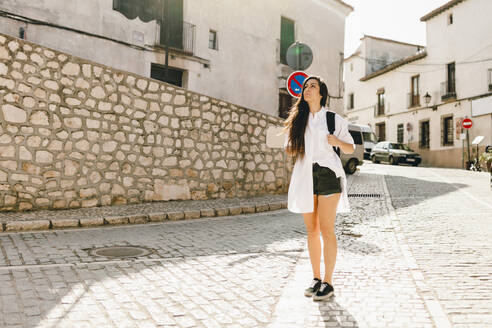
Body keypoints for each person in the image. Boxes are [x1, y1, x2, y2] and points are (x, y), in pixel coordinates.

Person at [284, 76, 355, 301]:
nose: (307, 89)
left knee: (326, 229)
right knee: (312, 230)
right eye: (305, 86)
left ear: (321, 93)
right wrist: (291, 147)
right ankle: (316, 279)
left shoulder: (334, 119)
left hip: (328, 175)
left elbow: (351, 147)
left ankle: (328, 282)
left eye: (312, 86)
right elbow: (290, 149)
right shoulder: (299, 120)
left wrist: (337, 142)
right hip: (305, 175)